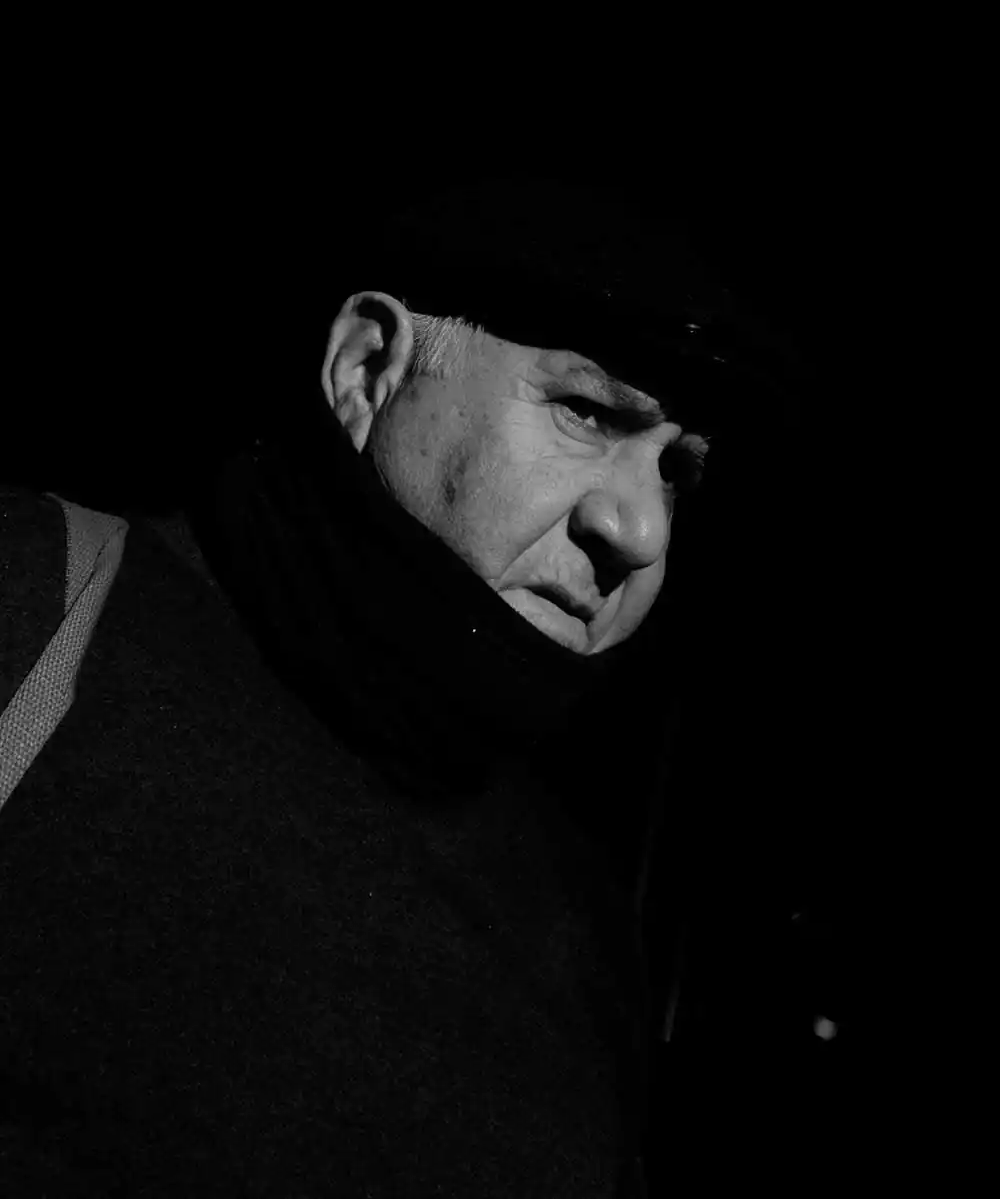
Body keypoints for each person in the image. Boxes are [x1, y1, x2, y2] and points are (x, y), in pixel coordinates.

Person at [0, 178, 805, 1196]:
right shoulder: (31, 604)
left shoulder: (587, 943)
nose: (638, 531)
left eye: (675, 474)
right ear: (367, 369)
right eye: (587, 411)